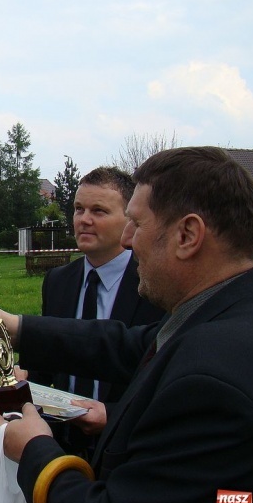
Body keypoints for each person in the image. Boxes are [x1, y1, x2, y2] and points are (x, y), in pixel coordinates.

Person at [0, 147, 253, 503]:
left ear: (188, 235)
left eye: (137, 223)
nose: (127, 239)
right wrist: (13, 326)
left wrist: (35, 450)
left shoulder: (211, 384)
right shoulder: (252, 309)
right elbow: (130, 345)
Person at [18, 166, 164, 459]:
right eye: (78, 209)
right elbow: (51, 359)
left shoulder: (154, 285)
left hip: (127, 448)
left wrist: (113, 414)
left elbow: (162, 379)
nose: (84, 220)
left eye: (99, 211)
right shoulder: (58, 281)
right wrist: (22, 379)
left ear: (129, 219)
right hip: (61, 443)